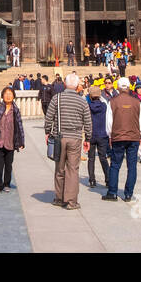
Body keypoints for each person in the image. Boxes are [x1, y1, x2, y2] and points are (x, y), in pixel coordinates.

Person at [44, 72, 92, 210]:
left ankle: (59, 198)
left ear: (64, 84)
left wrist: (47, 132)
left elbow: (49, 117)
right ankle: (71, 201)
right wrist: (87, 138)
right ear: (77, 86)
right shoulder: (82, 101)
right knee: (72, 169)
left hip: (59, 137)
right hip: (75, 138)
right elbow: (87, 122)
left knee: (59, 168)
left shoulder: (56, 98)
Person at [103, 77, 141, 203]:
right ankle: (128, 194)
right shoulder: (136, 101)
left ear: (117, 87)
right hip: (133, 137)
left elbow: (109, 122)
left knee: (115, 165)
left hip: (118, 136)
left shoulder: (112, 101)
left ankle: (112, 192)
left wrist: (110, 136)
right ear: (128, 87)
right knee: (132, 165)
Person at [0, 85, 26, 194]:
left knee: (9, 165)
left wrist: (21, 141)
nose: (8, 96)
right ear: (2, 96)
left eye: (10, 94)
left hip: (10, 141)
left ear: (13, 96)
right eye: (6, 94)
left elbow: (19, 125)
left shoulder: (15, 110)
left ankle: (7, 184)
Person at [85, 83, 111, 189]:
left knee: (91, 158)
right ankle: (108, 179)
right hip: (102, 134)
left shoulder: (88, 106)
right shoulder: (104, 106)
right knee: (103, 158)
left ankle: (92, 180)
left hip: (91, 134)